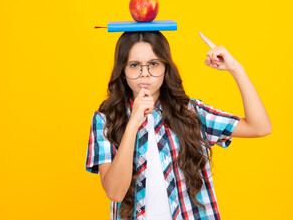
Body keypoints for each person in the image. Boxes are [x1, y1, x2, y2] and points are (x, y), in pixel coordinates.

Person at [85, 31, 272, 220]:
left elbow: (260, 127)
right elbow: (115, 192)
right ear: (123, 71)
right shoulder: (105, 120)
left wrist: (236, 69)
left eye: (154, 64)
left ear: (166, 68)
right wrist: (133, 123)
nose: (145, 74)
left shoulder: (191, 113)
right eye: (134, 65)